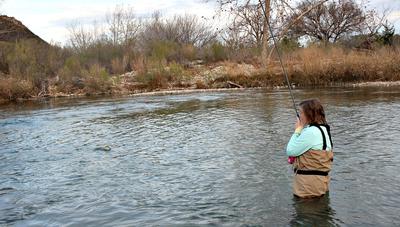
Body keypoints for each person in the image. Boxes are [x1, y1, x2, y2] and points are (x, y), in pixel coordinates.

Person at [286, 99, 333, 198]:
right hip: (320, 183)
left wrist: (297, 130)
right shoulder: (323, 128)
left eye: (301, 113)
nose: (299, 116)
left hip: (308, 187)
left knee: (306, 212)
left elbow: (290, 150)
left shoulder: (311, 132)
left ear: (309, 114)